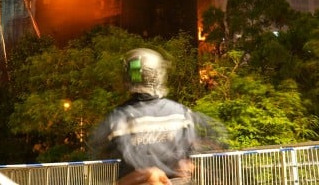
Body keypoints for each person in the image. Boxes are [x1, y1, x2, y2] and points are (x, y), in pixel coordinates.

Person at [88, 48, 226, 185]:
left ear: (128, 77)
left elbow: (97, 161)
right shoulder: (182, 114)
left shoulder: (116, 118)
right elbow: (216, 137)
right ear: (159, 74)